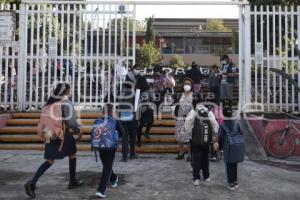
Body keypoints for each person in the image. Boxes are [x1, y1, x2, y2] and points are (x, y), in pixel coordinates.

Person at [24, 83, 83, 199]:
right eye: (70, 89)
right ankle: (72, 181)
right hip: (63, 134)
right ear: (66, 91)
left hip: (49, 134)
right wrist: (78, 131)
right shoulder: (66, 102)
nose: (70, 91)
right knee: (73, 154)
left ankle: (32, 182)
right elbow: (71, 122)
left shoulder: (49, 103)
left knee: (49, 160)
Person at [120, 63, 150, 162]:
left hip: (124, 116)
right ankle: (132, 154)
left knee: (125, 136)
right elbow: (137, 106)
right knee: (132, 135)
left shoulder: (123, 93)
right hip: (132, 115)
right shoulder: (136, 94)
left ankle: (125, 156)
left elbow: (119, 105)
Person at [95, 104, 126, 198]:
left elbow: (93, 133)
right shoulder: (114, 121)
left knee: (106, 166)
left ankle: (108, 183)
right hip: (110, 147)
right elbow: (122, 132)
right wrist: (115, 139)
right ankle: (107, 185)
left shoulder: (98, 120)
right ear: (112, 112)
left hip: (100, 147)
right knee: (107, 167)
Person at [184, 103, 219, 186]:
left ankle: (196, 178)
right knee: (205, 158)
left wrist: (190, 133)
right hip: (206, 140)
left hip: (196, 140)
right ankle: (206, 176)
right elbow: (215, 126)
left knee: (196, 158)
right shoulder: (209, 112)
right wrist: (213, 137)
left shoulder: (193, 111)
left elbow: (187, 124)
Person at [173, 78, 200, 161]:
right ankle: (181, 153)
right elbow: (175, 104)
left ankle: (190, 154)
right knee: (180, 136)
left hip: (190, 119)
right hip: (180, 118)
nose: (186, 85)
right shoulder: (179, 94)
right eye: (185, 84)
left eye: (188, 84)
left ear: (191, 85)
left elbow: (198, 106)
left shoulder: (195, 94)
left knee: (189, 137)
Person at [218, 106, 242, 191]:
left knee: (228, 165)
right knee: (235, 164)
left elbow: (220, 138)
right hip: (236, 145)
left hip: (227, 147)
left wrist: (220, 148)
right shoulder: (236, 123)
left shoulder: (223, 125)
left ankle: (230, 183)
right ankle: (235, 182)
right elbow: (241, 133)